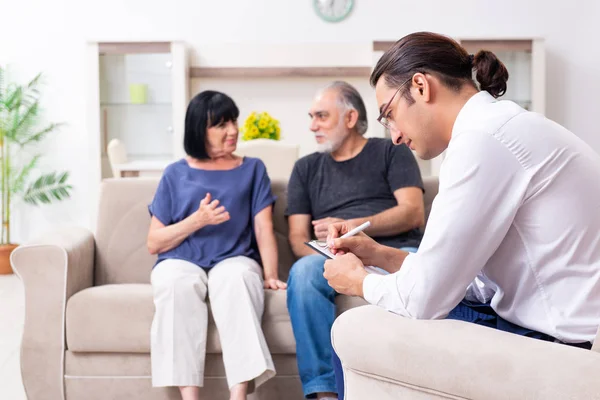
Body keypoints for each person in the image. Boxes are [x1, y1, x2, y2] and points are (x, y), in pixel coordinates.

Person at [324, 31, 600, 395]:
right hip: (547, 322)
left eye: (389, 114)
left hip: (559, 342)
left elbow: (424, 299)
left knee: (356, 327)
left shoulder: (483, 142)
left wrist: (358, 281)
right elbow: (469, 284)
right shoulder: (501, 126)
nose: (393, 135)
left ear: (421, 86)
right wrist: (380, 255)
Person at [285, 81, 424, 399]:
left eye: (321, 116)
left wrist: (350, 226)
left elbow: (412, 212)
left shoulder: (392, 150)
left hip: (395, 248)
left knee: (417, 273)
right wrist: (327, 247)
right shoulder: (305, 169)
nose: (312, 126)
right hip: (334, 254)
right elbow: (296, 237)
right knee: (304, 272)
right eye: (311, 116)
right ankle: (325, 393)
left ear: (350, 118)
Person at [146, 90, 287, 400]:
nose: (233, 131)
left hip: (235, 258)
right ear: (199, 129)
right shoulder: (175, 173)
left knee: (236, 279)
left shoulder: (252, 169)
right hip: (180, 259)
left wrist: (271, 274)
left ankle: (239, 397)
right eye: (221, 124)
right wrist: (197, 220)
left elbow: (263, 228)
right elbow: (154, 242)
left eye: (233, 121)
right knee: (174, 284)